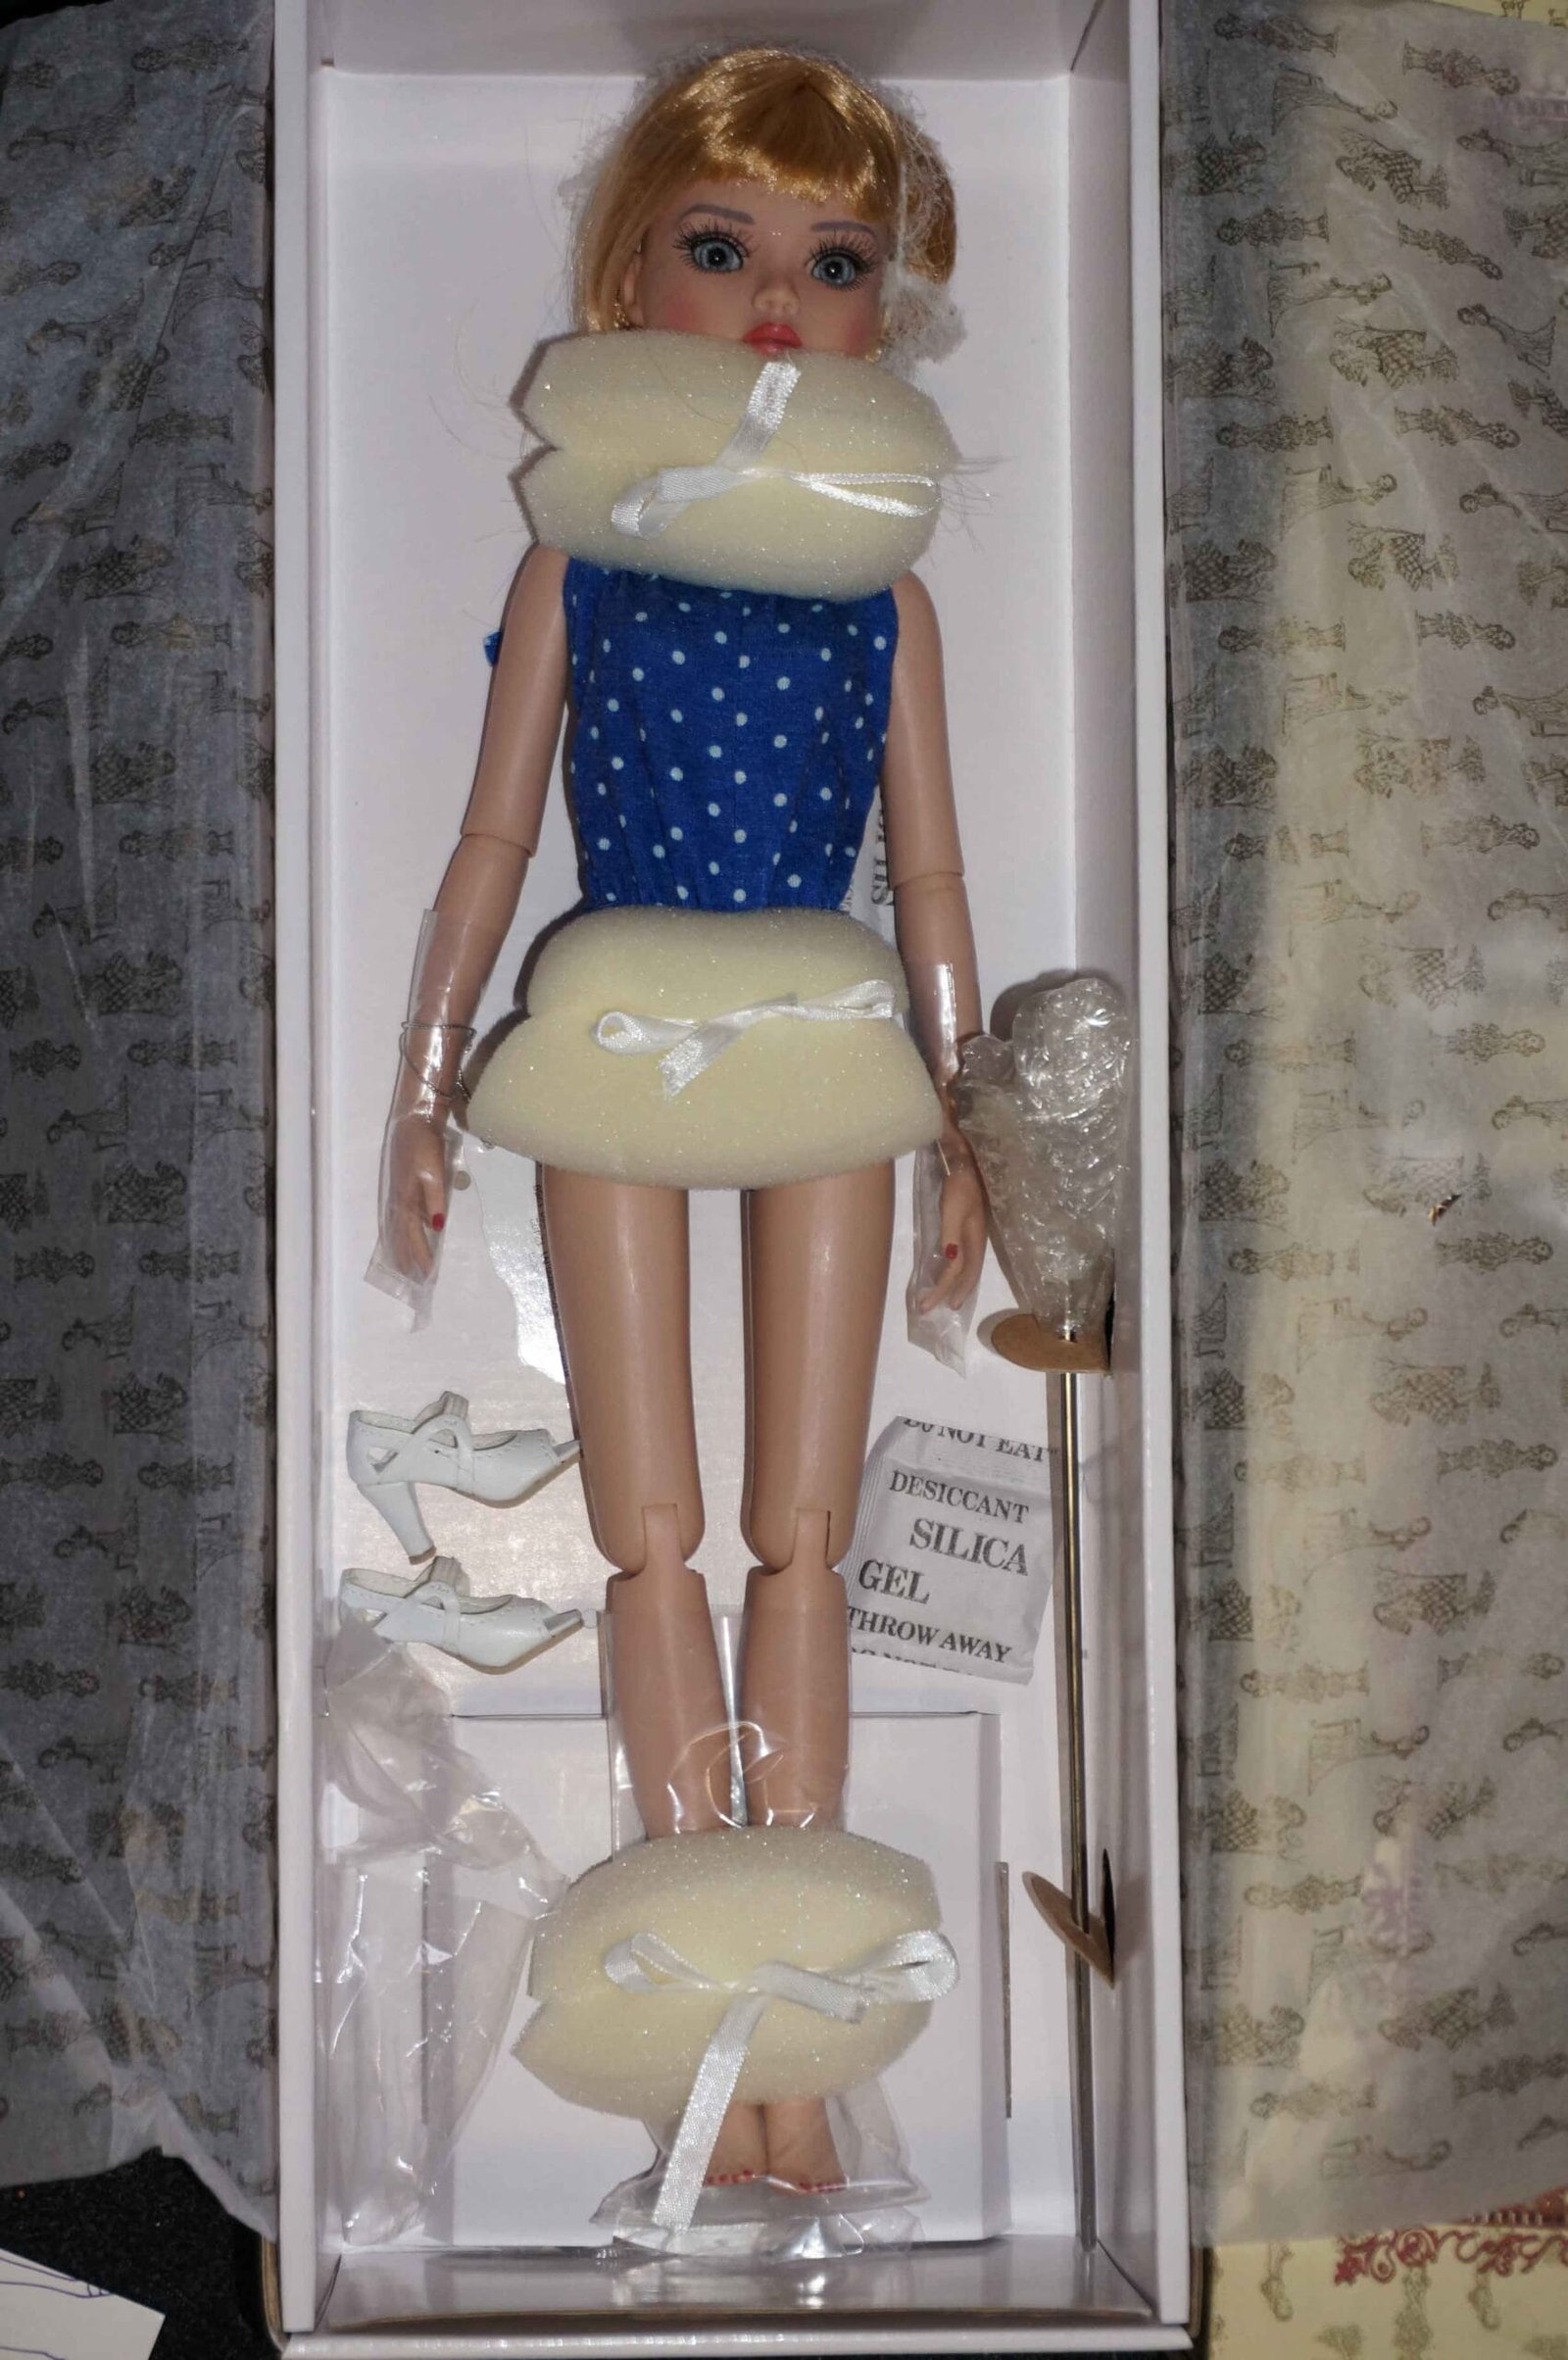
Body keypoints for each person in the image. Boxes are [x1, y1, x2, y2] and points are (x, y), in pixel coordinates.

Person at [375, 45, 985, 2195]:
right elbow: (486, 844)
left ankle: (789, 2029)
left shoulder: (878, 596)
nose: (774, 307)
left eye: (835, 265)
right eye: (721, 249)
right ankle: (703, 2023)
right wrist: (428, 1079)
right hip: (620, 1032)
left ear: (883, 313)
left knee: (798, 1534)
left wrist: (970, 1126)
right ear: (628, 275)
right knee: (651, 1533)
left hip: (820, 1034)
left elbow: (933, 883)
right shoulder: (584, 568)